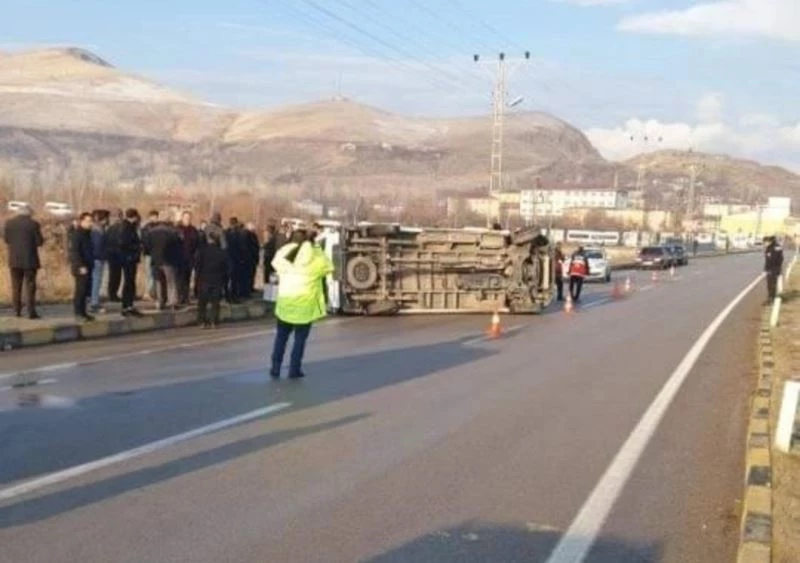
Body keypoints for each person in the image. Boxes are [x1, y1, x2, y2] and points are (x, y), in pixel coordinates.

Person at [270, 229, 334, 379]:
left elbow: (275, 262)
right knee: (299, 341)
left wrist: (291, 246)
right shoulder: (314, 260)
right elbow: (328, 266)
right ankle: (294, 369)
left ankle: (275, 367)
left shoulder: (284, 257)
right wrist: (316, 246)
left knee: (281, 338)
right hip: (305, 307)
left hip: (286, 304)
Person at [3, 203, 44, 319]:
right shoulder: (33, 224)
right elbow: (39, 242)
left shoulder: (9, 223)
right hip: (30, 260)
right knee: (30, 286)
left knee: (16, 286)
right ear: (29, 213)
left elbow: (6, 239)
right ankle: (31, 312)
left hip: (14, 259)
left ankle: (16, 310)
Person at [196, 231, 229, 329]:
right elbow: (227, 267)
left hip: (204, 279)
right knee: (215, 302)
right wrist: (224, 277)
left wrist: (198, 276)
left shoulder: (202, 251)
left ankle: (202, 322)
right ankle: (214, 321)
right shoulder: (222, 252)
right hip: (217, 280)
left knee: (202, 302)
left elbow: (197, 265)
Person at [148, 216, 182, 311]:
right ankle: (173, 303)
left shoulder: (151, 232)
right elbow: (178, 247)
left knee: (159, 282)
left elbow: (147, 246)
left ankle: (160, 302)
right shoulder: (173, 232)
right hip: (169, 261)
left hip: (155, 261)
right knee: (171, 282)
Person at [70, 212, 95, 322]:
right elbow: (75, 251)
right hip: (80, 267)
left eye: (91, 221)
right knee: (80, 290)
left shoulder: (88, 233)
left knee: (85, 291)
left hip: (88, 265)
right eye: (88, 221)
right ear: (82, 221)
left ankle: (83, 312)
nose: (90, 223)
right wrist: (80, 265)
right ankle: (78, 312)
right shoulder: (77, 234)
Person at [119, 208, 143, 317]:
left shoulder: (130, 227)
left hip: (131, 258)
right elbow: (124, 243)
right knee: (128, 282)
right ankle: (126, 306)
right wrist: (137, 247)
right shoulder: (126, 228)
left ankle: (129, 305)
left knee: (130, 282)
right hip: (128, 258)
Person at [177, 211, 200, 305]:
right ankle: (179, 297)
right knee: (179, 278)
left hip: (190, 257)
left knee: (187, 278)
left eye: (189, 218)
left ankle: (186, 297)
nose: (187, 219)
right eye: (186, 218)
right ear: (182, 218)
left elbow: (197, 243)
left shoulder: (193, 230)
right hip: (179, 257)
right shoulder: (178, 229)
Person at [89, 209, 109, 314]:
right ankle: (94, 303)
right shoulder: (97, 231)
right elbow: (97, 246)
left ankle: (95, 300)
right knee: (96, 281)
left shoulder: (100, 229)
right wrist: (102, 256)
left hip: (99, 258)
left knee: (97, 281)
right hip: (98, 259)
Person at [105, 209, 125, 302]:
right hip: (117, 253)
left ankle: (112, 293)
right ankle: (113, 294)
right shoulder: (120, 227)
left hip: (111, 253)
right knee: (116, 275)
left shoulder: (109, 228)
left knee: (113, 275)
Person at [140, 210, 160, 300]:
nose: (155, 218)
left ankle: (153, 292)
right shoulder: (146, 228)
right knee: (149, 273)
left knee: (155, 273)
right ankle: (147, 292)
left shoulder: (158, 227)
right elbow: (144, 241)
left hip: (156, 253)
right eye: (153, 217)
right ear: (150, 217)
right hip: (149, 253)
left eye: (156, 217)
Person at [764, 236, 784, 304]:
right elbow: (767, 260)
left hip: (774, 269)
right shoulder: (769, 247)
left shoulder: (775, 247)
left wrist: (772, 269)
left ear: (769, 241)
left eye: (765, 242)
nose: (764, 244)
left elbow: (777, 259)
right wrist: (766, 269)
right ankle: (770, 298)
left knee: (772, 284)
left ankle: (771, 299)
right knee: (770, 284)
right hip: (771, 269)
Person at [244, 222, 261, 296]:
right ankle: (248, 289)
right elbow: (253, 247)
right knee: (249, 275)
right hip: (250, 258)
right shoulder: (249, 236)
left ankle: (250, 288)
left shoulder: (252, 236)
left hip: (252, 258)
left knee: (251, 274)